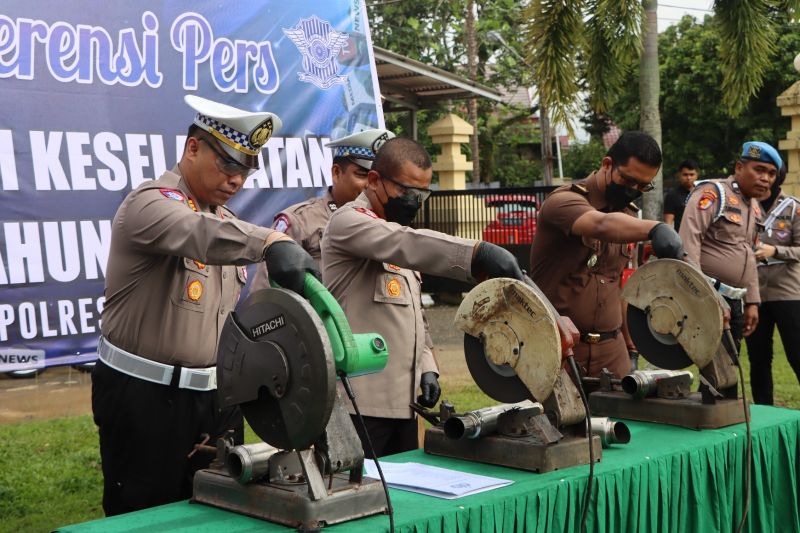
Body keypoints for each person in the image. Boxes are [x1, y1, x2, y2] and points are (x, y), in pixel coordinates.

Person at [92, 95, 319, 516]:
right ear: (193, 148)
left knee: (215, 512)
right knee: (145, 516)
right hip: (145, 399)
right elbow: (196, 231)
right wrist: (272, 241)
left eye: (246, 170)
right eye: (228, 163)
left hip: (216, 401)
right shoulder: (150, 204)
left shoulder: (225, 222)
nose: (236, 180)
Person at [321, 137, 524, 457]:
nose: (415, 202)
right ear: (374, 181)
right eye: (407, 192)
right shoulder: (348, 222)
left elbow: (414, 314)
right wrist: (476, 253)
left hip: (404, 403)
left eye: (422, 194)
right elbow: (407, 242)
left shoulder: (394, 230)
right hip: (359, 404)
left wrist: (428, 366)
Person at [529, 131, 686, 379]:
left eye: (643, 186)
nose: (633, 190)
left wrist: (631, 348)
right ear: (607, 165)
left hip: (613, 352)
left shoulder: (629, 216)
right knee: (558, 419)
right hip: (559, 348)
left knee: (622, 419)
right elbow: (600, 225)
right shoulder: (564, 202)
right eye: (628, 180)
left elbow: (621, 285)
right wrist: (656, 228)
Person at [250, 129, 394, 290]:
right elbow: (266, 293)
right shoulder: (299, 221)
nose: (371, 185)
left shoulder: (388, 223)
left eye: (378, 179)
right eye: (362, 175)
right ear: (337, 172)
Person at [680, 141, 781, 349]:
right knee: (719, 375)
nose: (765, 178)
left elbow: (750, 254)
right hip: (707, 296)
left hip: (735, 301)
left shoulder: (754, 207)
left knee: (728, 372)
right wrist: (708, 298)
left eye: (771, 173)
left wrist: (752, 301)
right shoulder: (714, 193)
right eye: (759, 169)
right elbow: (688, 244)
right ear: (739, 167)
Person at [745, 163, 800, 404]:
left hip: (788, 293)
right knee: (758, 359)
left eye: (770, 174)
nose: (763, 178)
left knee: (797, 354)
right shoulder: (744, 206)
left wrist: (775, 250)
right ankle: (764, 414)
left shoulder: (794, 207)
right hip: (753, 295)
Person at [663, 159, 699, 231]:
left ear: (697, 175)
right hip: (681, 237)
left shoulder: (702, 194)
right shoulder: (672, 196)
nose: (688, 178)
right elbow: (668, 223)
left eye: (691, 175)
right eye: (685, 175)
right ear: (679, 175)